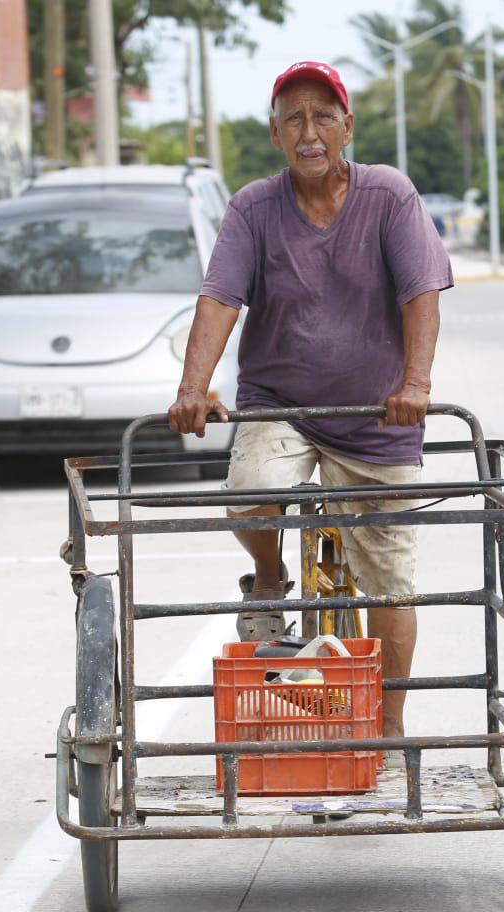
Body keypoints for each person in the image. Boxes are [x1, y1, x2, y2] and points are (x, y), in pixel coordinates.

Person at [166, 61, 452, 746]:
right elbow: (219, 301)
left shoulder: (389, 196)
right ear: (275, 134)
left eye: (324, 116)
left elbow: (421, 295)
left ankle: (387, 728)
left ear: (348, 127)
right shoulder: (254, 208)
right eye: (294, 117)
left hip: (379, 419)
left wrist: (415, 386)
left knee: (390, 579)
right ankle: (268, 578)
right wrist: (191, 389)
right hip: (282, 404)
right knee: (251, 493)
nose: (310, 131)